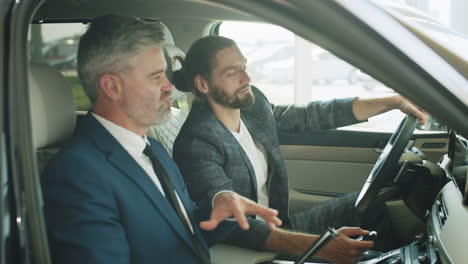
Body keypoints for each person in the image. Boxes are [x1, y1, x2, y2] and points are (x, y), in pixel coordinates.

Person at [41, 15, 282, 264]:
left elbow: (182, 230)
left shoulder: (151, 148)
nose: (170, 86)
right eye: (156, 76)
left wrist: (221, 212)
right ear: (112, 87)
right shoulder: (77, 174)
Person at [172, 36, 426, 264]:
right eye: (231, 73)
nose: (247, 79)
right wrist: (320, 246)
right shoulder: (197, 144)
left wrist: (391, 102)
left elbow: (309, 116)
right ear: (203, 84)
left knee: (374, 202)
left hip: (283, 225)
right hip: (253, 247)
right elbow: (232, 226)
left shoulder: (252, 104)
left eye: (244, 67)